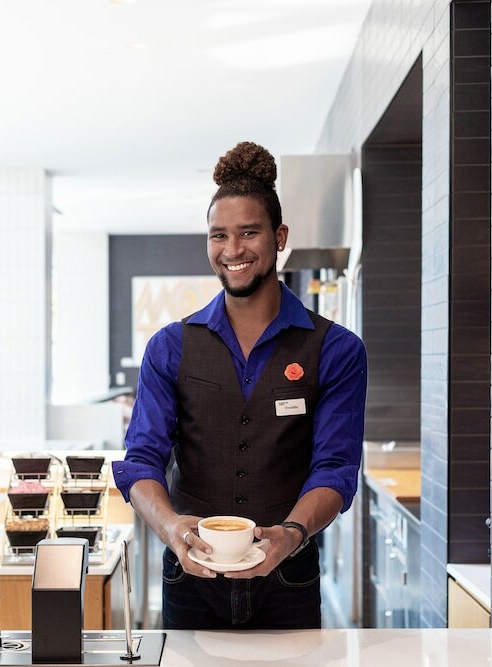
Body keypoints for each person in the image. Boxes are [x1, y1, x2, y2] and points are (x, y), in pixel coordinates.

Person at [112, 141, 367, 630]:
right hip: (190, 577)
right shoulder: (170, 346)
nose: (232, 251)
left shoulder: (336, 349)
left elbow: (335, 467)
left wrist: (291, 533)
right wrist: (170, 526)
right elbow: (142, 457)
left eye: (249, 232)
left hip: (289, 578)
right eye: (218, 235)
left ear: (279, 236)